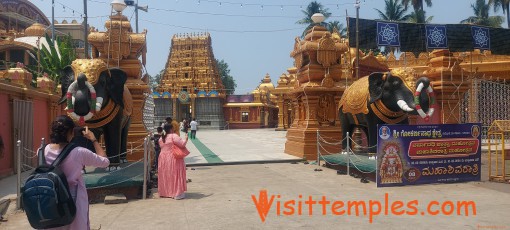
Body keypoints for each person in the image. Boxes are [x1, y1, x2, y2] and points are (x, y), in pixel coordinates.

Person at [43, 115, 109, 230]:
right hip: (73, 201)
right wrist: (93, 139)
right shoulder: (79, 152)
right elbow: (105, 162)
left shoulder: (44, 150)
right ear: (71, 132)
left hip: (51, 201)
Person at [158, 123, 188, 199]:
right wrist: (186, 138)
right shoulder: (173, 136)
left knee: (165, 174)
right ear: (171, 129)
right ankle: (177, 193)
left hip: (163, 158)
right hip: (173, 157)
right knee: (175, 174)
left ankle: (165, 192)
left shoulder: (161, 138)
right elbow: (182, 144)